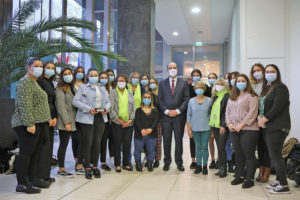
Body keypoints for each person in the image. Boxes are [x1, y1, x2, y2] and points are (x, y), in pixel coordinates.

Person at [11, 57, 52, 194]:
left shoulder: (33, 82)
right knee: (26, 154)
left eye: (41, 66)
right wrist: (30, 123)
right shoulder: (25, 82)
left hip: (37, 123)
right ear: (28, 67)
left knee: (34, 154)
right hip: (26, 124)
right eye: (36, 65)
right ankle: (22, 183)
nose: (39, 68)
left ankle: (33, 179)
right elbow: (25, 105)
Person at [258, 64, 291, 194]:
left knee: (276, 156)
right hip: (269, 126)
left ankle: (284, 186)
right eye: (267, 71)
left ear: (277, 73)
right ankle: (279, 180)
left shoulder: (281, 88)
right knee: (274, 155)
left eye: (272, 71)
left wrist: (264, 119)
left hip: (278, 126)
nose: (269, 73)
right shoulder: (268, 88)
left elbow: (277, 107)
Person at [73, 68, 110, 179]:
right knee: (88, 143)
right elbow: (75, 101)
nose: (94, 77)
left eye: (96, 75)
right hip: (87, 118)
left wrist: (106, 108)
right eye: (91, 75)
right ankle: (87, 167)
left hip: (100, 118)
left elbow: (108, 102)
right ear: (88, 76)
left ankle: (95, 166)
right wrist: (88, 108)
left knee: (97, 143)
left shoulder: (102, 88)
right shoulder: (83, 87)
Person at [226, 73, 259, 189]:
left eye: (243, 81)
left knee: (248, 154)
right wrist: (229, 123)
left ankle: (249, 178)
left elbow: (253, 113)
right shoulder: (232, 96)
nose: (240, 83)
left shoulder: (252, 96)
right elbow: (228, 112)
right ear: (235, 84)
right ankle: (239, 176)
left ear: (247, 82)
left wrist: (241, 125)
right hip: (234, 129)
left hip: (249, 129)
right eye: (238, 81)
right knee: (238, 154)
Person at [158, 62, 189, 171]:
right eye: (170, 68)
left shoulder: (184, 83)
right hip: (166, 117)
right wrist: (166, 111)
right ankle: (167, 162)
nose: (172, 69)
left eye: (174, 67)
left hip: (179, 117)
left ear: (177, 69)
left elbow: (186, 99)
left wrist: (178, 111)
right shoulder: (161, 83)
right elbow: (160, 100)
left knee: (178, 140)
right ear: (167, 70)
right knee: (166, 140)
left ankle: (179, 162)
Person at [109, 75, 136, 172]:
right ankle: (117, 164)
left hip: (129, 123)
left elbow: (133, 107)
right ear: (116, 82)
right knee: (117, 143)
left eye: (123, 80)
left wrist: (130, 120)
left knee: (127, 143)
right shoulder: (112, 92)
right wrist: (119, 121)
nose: (121, 82)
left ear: (126, 82)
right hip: (117, 122)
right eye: (119, 80)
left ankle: (125, 163)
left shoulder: (129, 92)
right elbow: (111, 108)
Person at [36, 61, 57, 183]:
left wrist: (54, 117)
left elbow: (52, 102)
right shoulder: (40, 81)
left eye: (52, 68)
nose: (50, 69)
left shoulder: (49, 82)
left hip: (51, 118)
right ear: (43, 69)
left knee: (49, 147)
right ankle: (39, 175)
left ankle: (45, 174)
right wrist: (48, 117)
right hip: (43, 118)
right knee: (43, 147)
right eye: (48, 67)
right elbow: (41, 102)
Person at [249, 63, 271, 183]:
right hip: (255, 120)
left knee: (266, 147)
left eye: (259, 70)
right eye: (254, 71)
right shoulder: (253, 85)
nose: (256, 72)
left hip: (265, 120)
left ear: (263, 71)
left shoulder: (268, 85)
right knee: (260, 147)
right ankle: (261, 169)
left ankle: (266, 170)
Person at [187, 81, 212, 175]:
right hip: (195, 128)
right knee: (198, 147)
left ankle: (205, 166)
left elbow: (211, 115)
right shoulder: (191, 101)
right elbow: (188, 115)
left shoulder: (209, 100)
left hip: (206, 128)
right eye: (197, 88)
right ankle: (198, 165)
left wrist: (212, 129)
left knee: (204, 147)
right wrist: (189, 129)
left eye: (200, 88)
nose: (199, 89)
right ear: (194, 89)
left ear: (204, 89)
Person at [56, 67, 77, 177]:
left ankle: (78, 164)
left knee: (75, 142)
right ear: (62, 76)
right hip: (65, 121)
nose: (68, 75)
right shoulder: (60, 88)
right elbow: (61, 107)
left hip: (74, 120)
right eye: (65, 74)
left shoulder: (72, 87)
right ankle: (61, 168)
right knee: (63, 144)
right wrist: (66, 122)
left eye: (69, 73)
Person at [209, 78, 230, 178]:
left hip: (222, 126)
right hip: (215, 126)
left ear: (225, 86)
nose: (219, 85)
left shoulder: (227, 96)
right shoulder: (215, 97)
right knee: (219, 147)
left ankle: (224, 169)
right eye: (217, 84)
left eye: (222, 84)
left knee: (222, 147)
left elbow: (226, 112)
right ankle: (221, 167)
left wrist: (223, 125)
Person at [134, 92, 160, 172]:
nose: (147, 99)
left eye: (148, 97)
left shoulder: (155, 110)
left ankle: (150, 163)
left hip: (151, 133)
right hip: (140, 133)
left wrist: (150, 129)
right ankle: (138, 163)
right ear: (142, 99)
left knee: (151, 150)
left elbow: (156, 121)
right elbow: (137, 121)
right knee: (137, 149)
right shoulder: (138, 110)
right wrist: (141, 129)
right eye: (145, 97)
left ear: (151, 100)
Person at [73, 66, 86, 175]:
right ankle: (76, 160)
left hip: (84, 115)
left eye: (82, 72)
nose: (80, 73)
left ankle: (81, 161)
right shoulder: (71, 85)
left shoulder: (86, 85)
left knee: (83, 140)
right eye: (78, 72)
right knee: (75, 140)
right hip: (73, 115)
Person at [99, 71, 112, 171]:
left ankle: (103, 161)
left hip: (107, 118)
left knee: (104, 141)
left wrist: (107, 108)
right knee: (95, 141)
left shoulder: (109, 89)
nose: (103, 79)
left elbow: (109, 103)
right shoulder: (95, 87)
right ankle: (91, 161)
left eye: (105, 78)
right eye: (101, 77)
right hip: (95, 116)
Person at [149, 78, 162, 168]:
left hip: (158, 121)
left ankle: (157, 159)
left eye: (154, 82)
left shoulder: (160, 95)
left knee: (157, 141)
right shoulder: (146, 95)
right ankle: (149, 158)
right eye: (150, 83)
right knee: (148, 141)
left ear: (157, 84)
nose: (152, 84)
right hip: (147, 121)